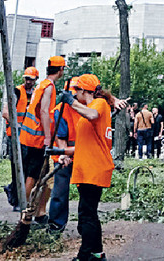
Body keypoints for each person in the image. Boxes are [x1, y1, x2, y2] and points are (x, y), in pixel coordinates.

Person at [57, 73, 114, 261]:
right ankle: (97, 254)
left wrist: (70, 102)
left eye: (76, 91)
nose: (74, 95)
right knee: (89, 214)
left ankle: (84, 256)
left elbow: (92, 114)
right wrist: (60, 153)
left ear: (84, 90)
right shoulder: (93, 106)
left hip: (93, 170)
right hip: (89, 169)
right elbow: (85, 145)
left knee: (86, 217)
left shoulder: (98, 104)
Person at [21, 55, 66, 224]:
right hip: (38, 137)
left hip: (31, 135)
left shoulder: (42, 84)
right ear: (60, 69)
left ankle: (34, 210)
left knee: (35, 174)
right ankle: (27, 209)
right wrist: (48, 136)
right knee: (34, 175)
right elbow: (45, 112)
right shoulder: (49, 87)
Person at [47, 77, 81, 234]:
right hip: (64, 155)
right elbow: (61, 136)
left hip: (83, 156)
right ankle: (56, 225)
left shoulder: (88, 106)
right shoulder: (61, 110)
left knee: (86, 192)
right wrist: (64, 154)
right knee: (59, 191)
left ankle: (86, 225)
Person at [1, 66, 36, 209]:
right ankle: (16, 199)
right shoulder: (16, 91)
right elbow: (5, 112)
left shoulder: (35, 94)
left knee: (26, 168)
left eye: (31, 79)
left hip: (29, 137)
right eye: (26, 79)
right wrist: (17, 126)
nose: (28, 82)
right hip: (15, 136)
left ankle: (14, 191)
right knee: (17, 167)